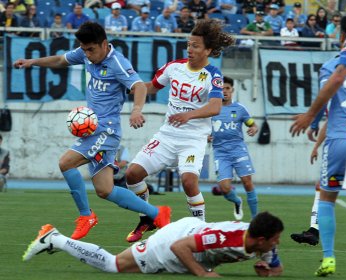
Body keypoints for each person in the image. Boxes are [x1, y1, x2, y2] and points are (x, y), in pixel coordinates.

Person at [13, 21, 171, 240]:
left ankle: (86, 216)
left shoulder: (117, 62)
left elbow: (140, 86)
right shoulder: (86, 52)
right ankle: (158, 214)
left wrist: (136, 109)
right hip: (94, 130)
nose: (87, 55)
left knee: (65, 162)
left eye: (91, 50)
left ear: (104, 44)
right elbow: (61, 59)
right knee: (105, 190)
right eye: (84, 49)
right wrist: (33, 62)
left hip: (106, 130)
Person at [124, 18, 235, 242]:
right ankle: (147, 217)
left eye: (195, 46)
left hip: (193, 138)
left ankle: (201, 231)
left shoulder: (213, 75)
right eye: (188, 44)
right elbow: (151, 88)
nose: (190, 49)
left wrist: (188, 115)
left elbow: (214, 107)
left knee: (188, 181)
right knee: (132, 174)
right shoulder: (174, 67)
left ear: (208, 50)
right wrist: (129, 88)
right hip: (167, 135)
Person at [290, 15, 346, 280]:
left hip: (338, 139)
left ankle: (329, 258)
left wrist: (310, 117)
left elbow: (329, 103)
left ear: (343, 35)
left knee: (327, 197)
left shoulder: (333, 65)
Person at [23, 211, 284, 277]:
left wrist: (269, 271)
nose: (277, 243)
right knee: (114, 265)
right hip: (174, 240)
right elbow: (180, 247)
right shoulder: (227, 239)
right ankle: (55, 238)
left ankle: (54, 239)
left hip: (192, 243)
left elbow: (277, 268)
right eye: (274, 239)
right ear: (260, 239)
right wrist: (203, 274)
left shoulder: (265, 243)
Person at [208, 76, 259, 221]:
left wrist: (254, 128)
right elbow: (201, 129)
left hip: (238, 150)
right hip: (220, 153)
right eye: (221, 89)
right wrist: (205, 136)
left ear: (232, 90)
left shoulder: (240, 109)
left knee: (247, 182)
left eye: (227, 88)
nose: (224, 91)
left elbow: (252, 124)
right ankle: (237, 201)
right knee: (224, 188)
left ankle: (255, 219)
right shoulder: (210, 109)